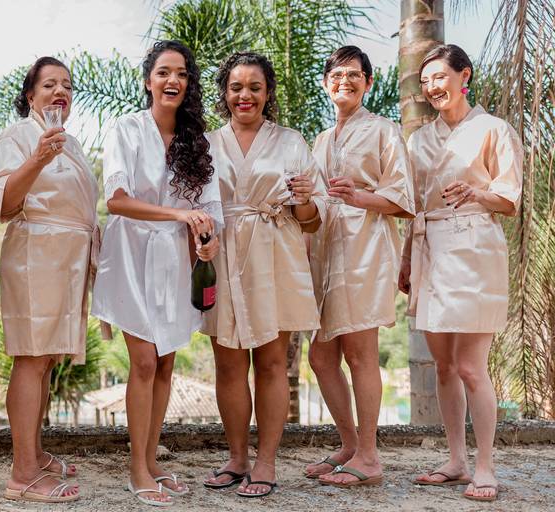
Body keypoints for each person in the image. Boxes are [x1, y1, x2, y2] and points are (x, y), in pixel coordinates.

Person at [91, 40, 222, 507]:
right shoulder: (126, 129)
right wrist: (179, 216)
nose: (173, 80)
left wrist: (207, 240)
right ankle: (136, 469)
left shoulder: (198, 142)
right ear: (148, 80)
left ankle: (151, 460)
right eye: (164, 72)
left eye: (182, 73)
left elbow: (211, 211)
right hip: (130, 255)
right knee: (144, 361)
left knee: (166, 361)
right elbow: (116, 201)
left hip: (177, 261)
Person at [401, 44, 522, 502]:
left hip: (474, 250)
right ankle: (456, 461)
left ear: (463, 76)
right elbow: (413, 206)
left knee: (472, 367)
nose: (433, 87)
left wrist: (476, 192)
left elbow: (509, 200)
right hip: (429, 249)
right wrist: (406, 260)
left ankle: (485, 466)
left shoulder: (495, 130)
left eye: (440, 77)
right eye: (425, 81)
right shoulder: (418, 140)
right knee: (444, 366)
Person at [200, 52, 325, 498]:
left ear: (268, 92)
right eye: (236, 87)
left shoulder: (291, 141)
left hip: (275, 253)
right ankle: (237, 458)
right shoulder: (207, 143)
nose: (245, 95)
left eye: (255, 87)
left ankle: (266, 462)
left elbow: (312, 220)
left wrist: (305, 200)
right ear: (225, 93)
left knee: (272, 363)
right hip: (223, 254)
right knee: (228, 364)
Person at [0, 56, 96, 504]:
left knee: (47, 358)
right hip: (36, 254)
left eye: (66, 85)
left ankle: (33, 452)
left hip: (67, 258)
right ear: (30, 95)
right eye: (49, 84)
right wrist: (36, 159)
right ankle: (23, 474)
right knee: (31, 358)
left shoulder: (71, 143)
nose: (59, 91)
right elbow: (3, 203)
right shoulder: (16, 136)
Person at [305, 45, 415, 487]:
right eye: (336, 75)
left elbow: (404, 201)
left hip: (366, 249)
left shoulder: (385, 131)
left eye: (353, 74)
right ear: (325, 83)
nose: (344, 81)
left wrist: (359, 196)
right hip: (325, 251)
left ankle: (369, 457)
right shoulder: (320, 140)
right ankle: (350, 445)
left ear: (368, 82)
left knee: (359, 352)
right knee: (320, 357)